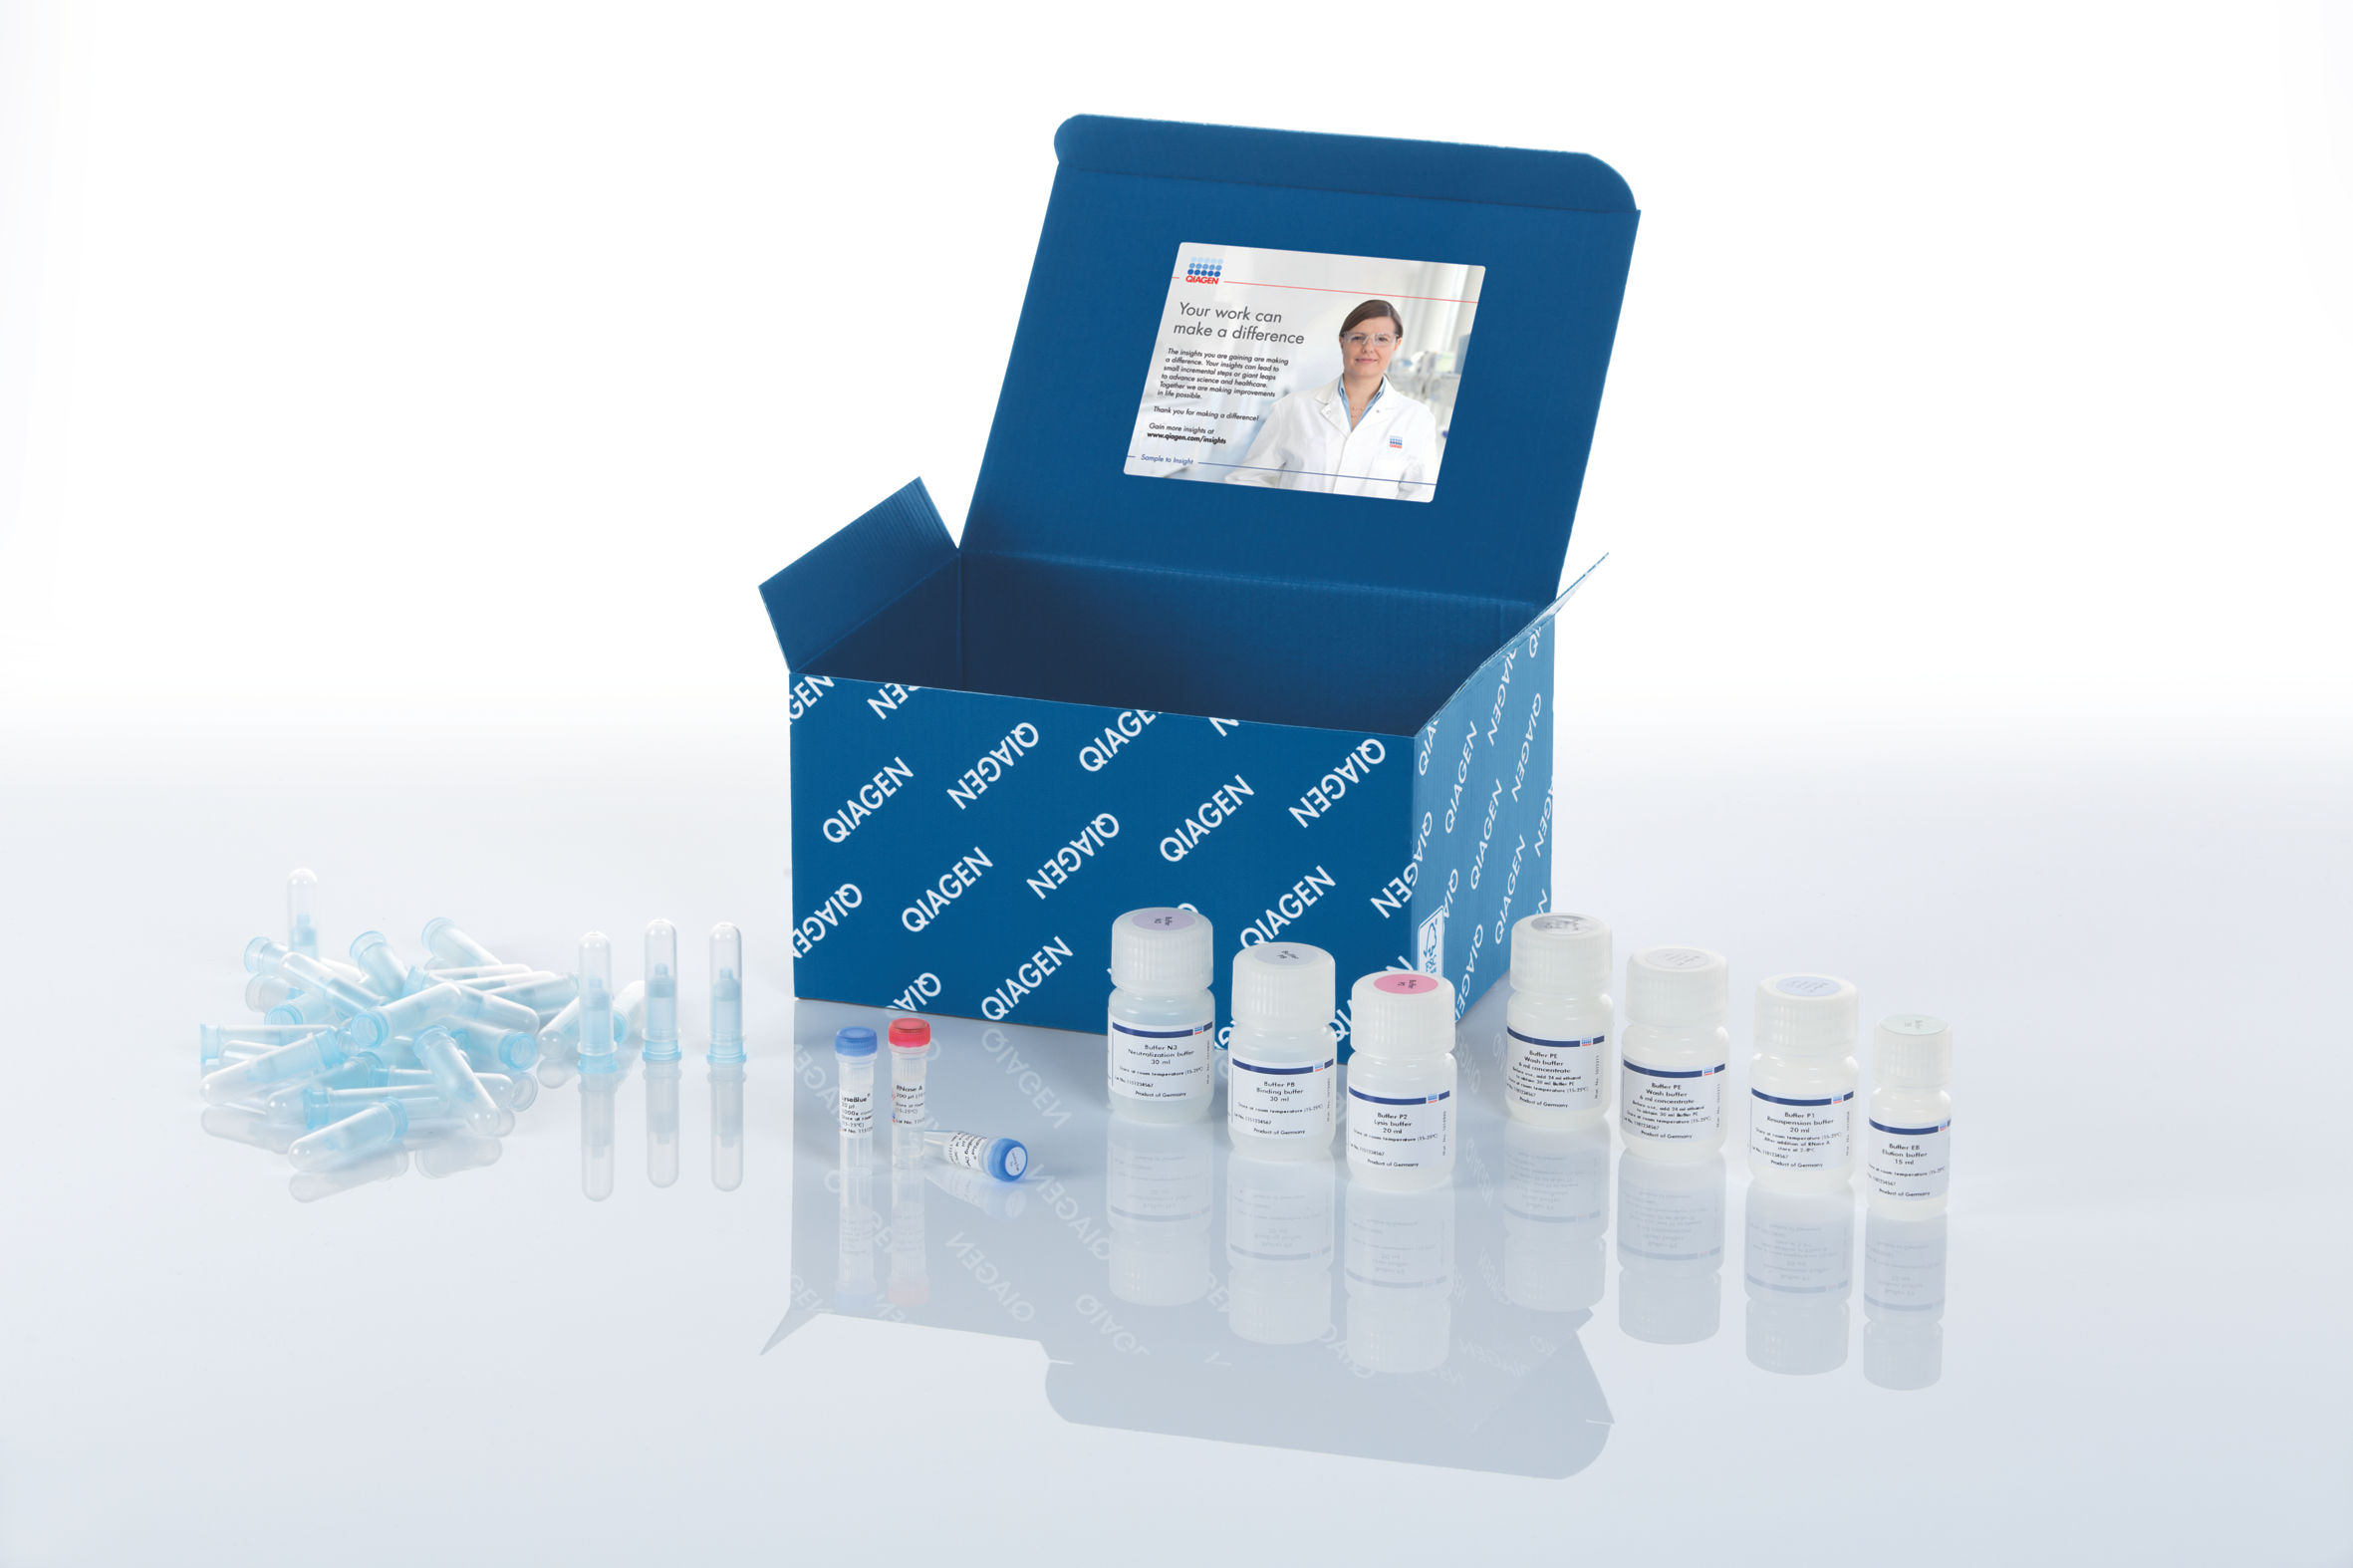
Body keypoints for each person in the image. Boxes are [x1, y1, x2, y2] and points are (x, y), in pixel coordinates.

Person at [1228, 299, 1440, 501]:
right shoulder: (1293, 407)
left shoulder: (1417, 419)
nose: (1368, 347)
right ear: (1342, 342)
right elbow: (1247, 479)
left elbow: (1419, 497)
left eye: (1382, 339)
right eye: (1357, 337)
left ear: (1396, 344)